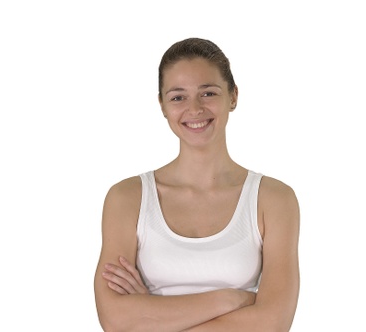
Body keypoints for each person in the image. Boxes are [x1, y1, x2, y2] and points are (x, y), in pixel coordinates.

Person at [93, 37, 300, 332]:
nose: (194, 109)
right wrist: (232, 299)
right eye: (178, 97)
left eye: (208, 93)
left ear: (233, 96)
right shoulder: (127, 199)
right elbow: (115, 320)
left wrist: (151, 317)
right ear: (162, 106)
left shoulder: (274, 199)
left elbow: (272, 322)